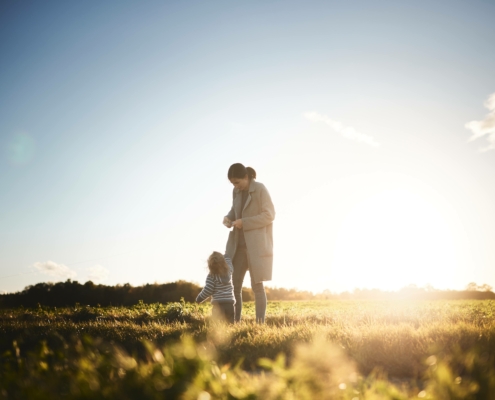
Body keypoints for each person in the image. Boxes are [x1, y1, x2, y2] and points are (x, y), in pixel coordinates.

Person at [223, 163, 275, 323]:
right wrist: (228, 217)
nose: (235, 186)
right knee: (235, 287)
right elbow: (235, 210)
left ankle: (260, 324)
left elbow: (269, 215)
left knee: (257, 287)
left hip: (257, 247)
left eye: (237, 182)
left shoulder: (260, 189)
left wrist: (244, 222)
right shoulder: (236, 191)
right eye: (232, 183)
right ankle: (235, 323)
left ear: (246, 177)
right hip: (238, 246)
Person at [196, 251, 235, 323]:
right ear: (224, 262)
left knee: (218, 327)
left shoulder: (211, 276)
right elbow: (229, 263)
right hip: (230, 305)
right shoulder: (229, 270)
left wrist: (199, 298)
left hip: (218, 306)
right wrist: (226, 256)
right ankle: (230, 334)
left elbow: (208, 290)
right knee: (230, 325)